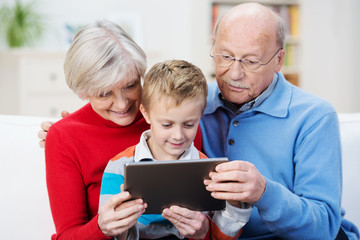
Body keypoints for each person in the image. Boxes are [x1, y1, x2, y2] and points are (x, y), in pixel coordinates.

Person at [201, 2, 359, 240]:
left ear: (278, 60)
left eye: (251, 61)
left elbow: (323, 228)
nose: (234, 74)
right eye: (225, 56)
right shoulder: (194, 105)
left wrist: (264, 192)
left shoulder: (315, 116)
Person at [44, 20, 202, 240]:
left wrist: (203, 229)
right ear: (83, 92)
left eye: (130, 85)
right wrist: (101, 227)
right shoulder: (63, 137)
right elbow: (67, 234)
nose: (122, 104)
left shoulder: (175, 120)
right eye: (104, 94)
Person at [98, 59, 252, 239]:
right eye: (166, 124)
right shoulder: (118, 167)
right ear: (146, 113)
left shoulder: (207, 169)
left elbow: (223, 236)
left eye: (188, 124)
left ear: (199, 116)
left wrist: (235, 205)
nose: (178, 135)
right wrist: (120, 228)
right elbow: (111, 233)